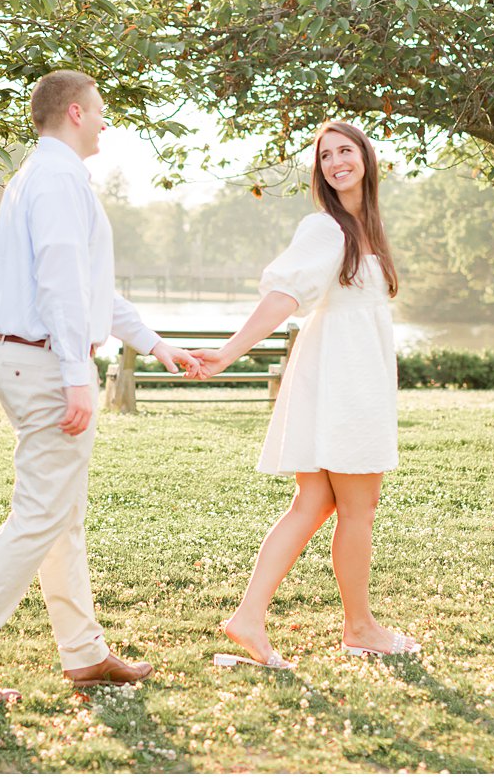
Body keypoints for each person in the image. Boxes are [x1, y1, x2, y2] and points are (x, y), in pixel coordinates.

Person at [0, 69, 200, 706]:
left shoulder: (46, 177)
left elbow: (89, 286)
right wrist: (78, 374)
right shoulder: (55, 180)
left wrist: (155, 344)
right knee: (43, 512)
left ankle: (84, 653)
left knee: (61, 516)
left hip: (38, 360)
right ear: (74, 112)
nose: (105, 122)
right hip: (46, 365)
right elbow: (61, 286)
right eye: (100, 110)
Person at [191, 120, 418, 669]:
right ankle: (360, 627)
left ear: (365, 156)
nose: (337, 161)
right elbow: (284, 295)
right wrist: (229, 351)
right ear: (319, 170)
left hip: (347, 374)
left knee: (315, 503)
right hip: (344, 381)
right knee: (358, 509)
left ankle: (249, 616)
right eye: (326, 156)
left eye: (346, 150)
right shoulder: (326, 230)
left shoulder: (366, 227)